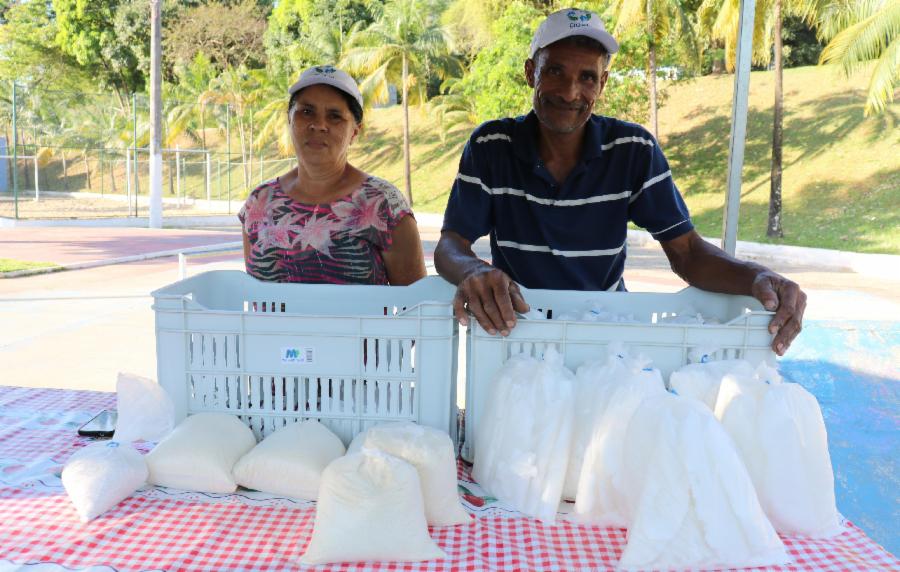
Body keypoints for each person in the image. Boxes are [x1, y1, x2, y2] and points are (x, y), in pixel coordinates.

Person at [434, 9, 806, 355]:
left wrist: (759, 276)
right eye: (555, 72)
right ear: (531, 72)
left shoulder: (632, 150)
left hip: (606, 335)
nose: (570, 92)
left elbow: (688, 254)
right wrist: (476, 271)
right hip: (518, 333)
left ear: (603, 83)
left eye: (587, 78)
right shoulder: (491, 146)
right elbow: (451, 244)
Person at [239, 65, 426, 285]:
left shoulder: (384, 205)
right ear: (289, 120)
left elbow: (415, 307)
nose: (318, 125)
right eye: (306, 111)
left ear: (354, 132)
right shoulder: (259, 203)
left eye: (335, 116)